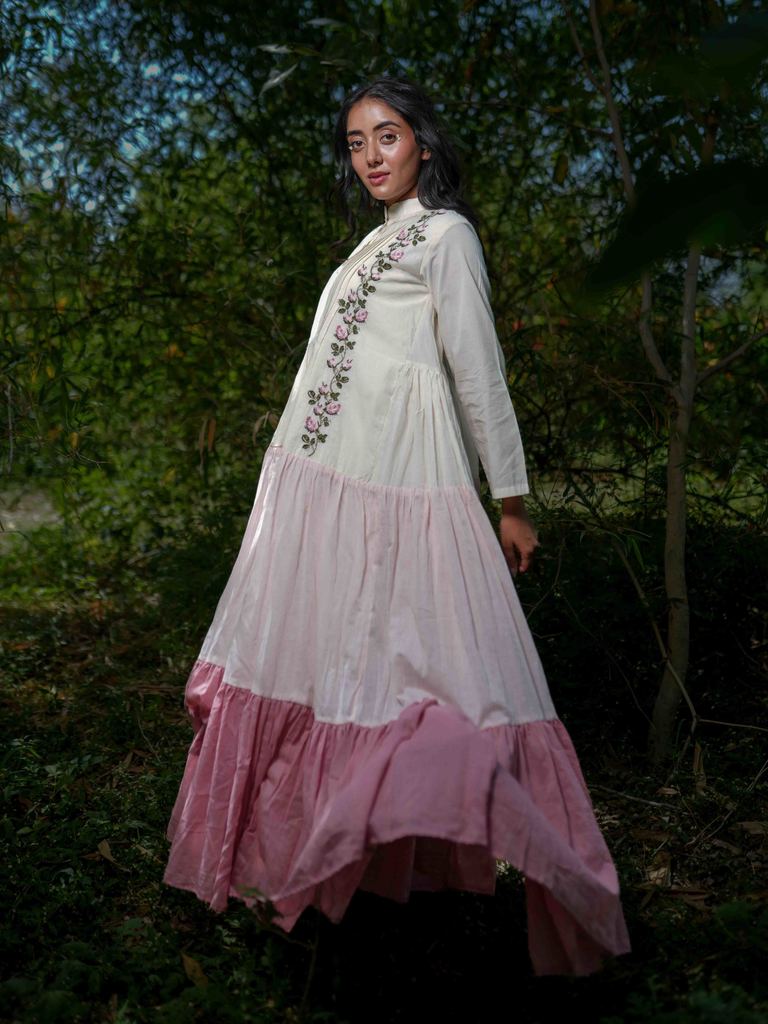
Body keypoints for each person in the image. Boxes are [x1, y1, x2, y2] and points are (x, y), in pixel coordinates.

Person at [162, 76, 631, 977]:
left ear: (423, 141)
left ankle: (489, 856)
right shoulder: (369, 246)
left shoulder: (446, 236)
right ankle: (308, 868)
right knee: (328, 671)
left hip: (397, 483)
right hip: (316, 485)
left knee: (423, 678)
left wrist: (511, 498)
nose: (371, 156)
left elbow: (476, 369)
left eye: (386, 135)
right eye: (355, 143)